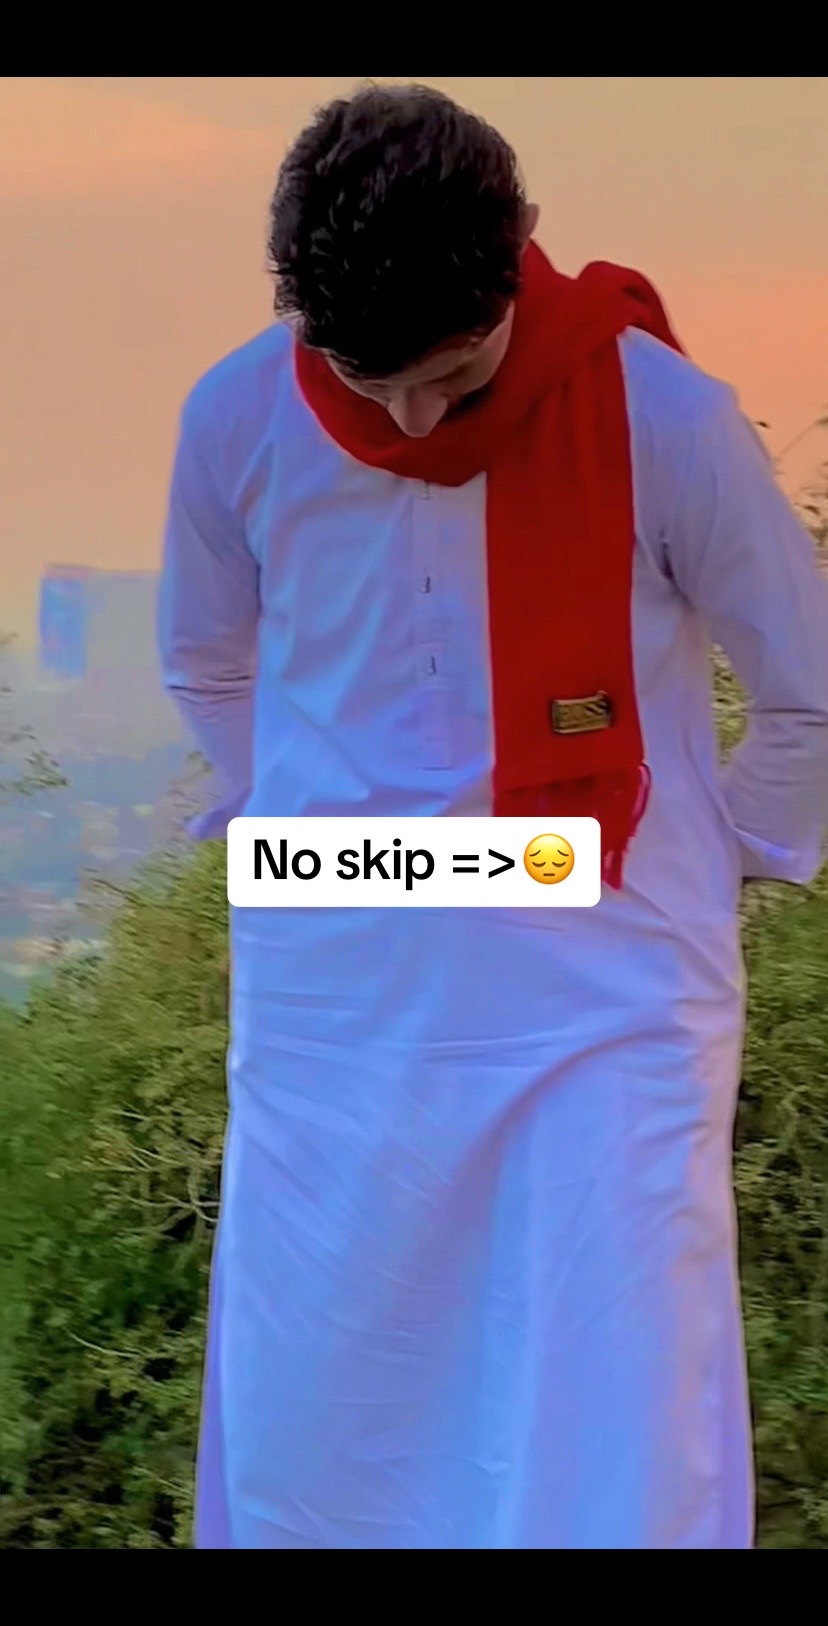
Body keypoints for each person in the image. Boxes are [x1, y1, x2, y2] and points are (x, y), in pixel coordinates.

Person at [158, 82, 828, 1550]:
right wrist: (317, 841)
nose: (411, 420)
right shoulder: (237, 416)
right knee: (324, 1398)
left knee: (614, 1394)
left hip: (603, 997)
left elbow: (807, 692)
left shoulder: (664, 417)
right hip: (340, 998)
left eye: (452, 373)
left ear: (516, 256)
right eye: (368, 377)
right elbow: (206, 661)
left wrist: (712, 868)